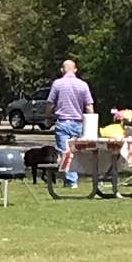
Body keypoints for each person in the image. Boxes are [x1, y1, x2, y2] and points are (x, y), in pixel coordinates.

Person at [47, 55, 96, 183]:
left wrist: (47, 116)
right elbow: (89, 106)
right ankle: (75, 178)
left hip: (63, 122)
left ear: (62, 70)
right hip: (78, 123)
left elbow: (50, 103)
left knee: (65, 152)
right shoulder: (83, 85)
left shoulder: (57, 84)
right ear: (75, 70)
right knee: (77, 152)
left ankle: (71, 180)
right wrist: (91, 124)